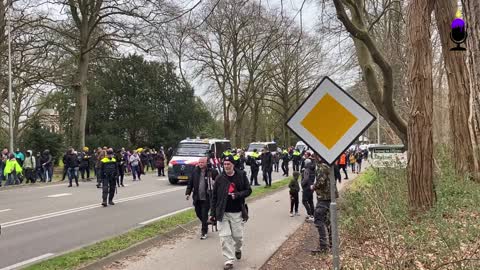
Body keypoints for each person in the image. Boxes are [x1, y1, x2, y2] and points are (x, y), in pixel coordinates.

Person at [210, 156, 252, 270]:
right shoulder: (219, 178)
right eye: (224, 164)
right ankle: (229, 259)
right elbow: (214, 197)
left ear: (233, 165)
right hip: (222, 212)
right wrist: (212, 213)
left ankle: (238, 249)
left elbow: (248, 190)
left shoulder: (241, 175)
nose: (226, 166)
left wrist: (237, 195)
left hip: (237, 211)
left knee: (237, 236)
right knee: (224, 236)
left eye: (228, 164)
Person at [186, 157, 218, 239]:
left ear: (206, 163)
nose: (200, 164)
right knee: (198, 213)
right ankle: (206, 223)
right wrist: (188, 193)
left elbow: (218, 182)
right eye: (199, 162)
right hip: (197, 197)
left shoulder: (212, 172)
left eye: (202, 162)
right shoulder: (195, 171)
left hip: (207, 198)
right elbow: (190, 183)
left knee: (204, 215)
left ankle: (204, 232)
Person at [312, 154, 338, 253]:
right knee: (328, 221)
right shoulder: (328, 165)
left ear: (317, 157)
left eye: (314, 157)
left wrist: (313, 187)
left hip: (324, 198)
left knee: (318, 219)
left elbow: (320, 182)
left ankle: (323, 246)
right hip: (329, 197)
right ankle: (332, 244)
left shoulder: (322, 167)